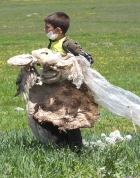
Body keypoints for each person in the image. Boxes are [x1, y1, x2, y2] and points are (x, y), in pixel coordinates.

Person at [35, 12, 95, 152]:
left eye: (47, 27)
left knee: (70, 120)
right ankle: (64, 141)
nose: (45, 30)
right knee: (40, 115)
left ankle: (76, 149)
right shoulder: (53, 42)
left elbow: (88, 59)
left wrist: (67, 62)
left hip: (69, 89)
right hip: (54, 88)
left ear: (58, 30)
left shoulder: (68, 43)